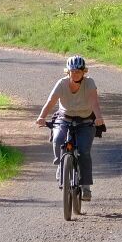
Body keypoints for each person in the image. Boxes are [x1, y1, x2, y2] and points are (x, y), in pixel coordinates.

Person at [36, 55, 105, 201]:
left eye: (78, 72)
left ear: (83, 72)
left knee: (83, 151)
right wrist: (41, 117)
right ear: (68, 72)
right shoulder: (61, 84)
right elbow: (50, 102)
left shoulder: (90, 83)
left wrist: (99, 118)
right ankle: (61, 165)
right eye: (72, 72)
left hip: (86, 121)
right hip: (64, 118)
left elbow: (94, 103)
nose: (75, 74)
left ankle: (86, 187)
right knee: (57, 138)